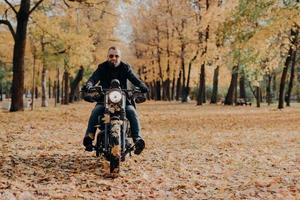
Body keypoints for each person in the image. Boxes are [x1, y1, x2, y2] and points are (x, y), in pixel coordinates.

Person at [83, 46, 148, 155]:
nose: (114, 58)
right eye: (111, 56)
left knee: (131, 111)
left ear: (120, 57)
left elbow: (134, 79)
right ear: (107, 56)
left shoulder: (125, 67)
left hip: (123, 100)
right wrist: (89, 85)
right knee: (95, 111)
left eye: (116, 56)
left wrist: (142, 85)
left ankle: (137, 139)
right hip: (104, 99)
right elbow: (93, 78)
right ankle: (89, 137)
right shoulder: (102, 67)